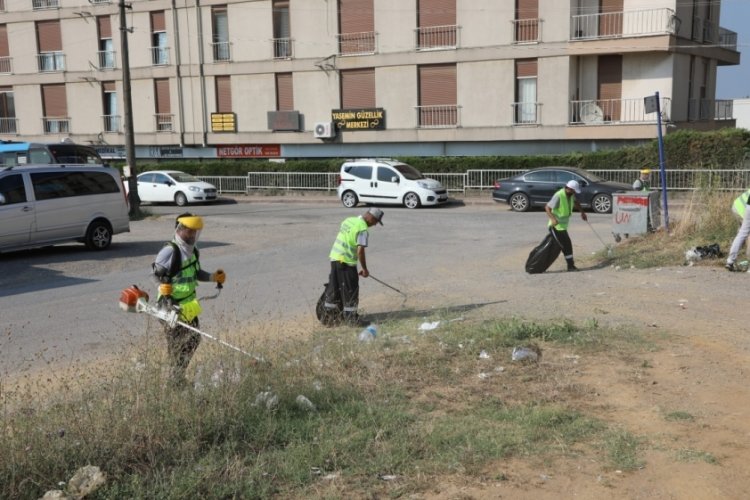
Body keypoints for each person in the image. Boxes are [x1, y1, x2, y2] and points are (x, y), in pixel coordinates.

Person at [151, 213, 226, 384]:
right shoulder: (170, 251)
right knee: (176, 344)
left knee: (193, 340)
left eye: (195, 232)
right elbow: (154, 274)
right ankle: (174, 381)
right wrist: (160, 286)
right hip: (170, 306)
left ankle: (177, 376)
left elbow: (196, 272)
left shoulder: (193, 251)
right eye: (189, 231)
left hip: (189, 305)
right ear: (180, 230)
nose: (192, 235)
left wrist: (213, 277)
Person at [323, 207, 384, 326]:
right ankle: (351, 320)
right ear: (371, 218)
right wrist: (365, 269)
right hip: (346, 262)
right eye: (376, 222)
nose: (375, 225)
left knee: (335, 288)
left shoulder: (349, 220)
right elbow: (360, 251)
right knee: (350, 290)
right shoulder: (362, 229)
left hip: (335, 258)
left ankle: (329, 317)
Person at [545, 180, 587, 271]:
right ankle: (570, 266)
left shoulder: (570, 195)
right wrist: (553, 219)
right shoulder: (559, 195)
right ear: (569, 189)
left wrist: (582, 213)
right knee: (566, 245)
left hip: (562, 226)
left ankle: (570, 266)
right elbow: (547, 207)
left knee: (565, 245)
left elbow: (576, 202)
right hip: (555, 226)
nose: (574, 193)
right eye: (574, 191)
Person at [725, 189, 750, 272]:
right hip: (742, 209)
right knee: (746, 234)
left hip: (741, 206)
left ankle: (730, 261)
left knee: (742, 234)